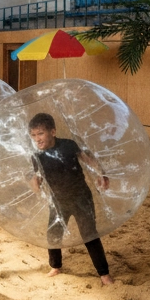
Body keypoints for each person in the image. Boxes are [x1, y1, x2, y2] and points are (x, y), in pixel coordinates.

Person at [27, 112, 112, 285]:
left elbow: (88, 160)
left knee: (89, 234)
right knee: (53, 234)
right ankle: (55, 266)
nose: (37, 139)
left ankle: (104, 274)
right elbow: (38, 179)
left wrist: (101, 173)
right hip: (58, 201)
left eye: (41, 134)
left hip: (81, 197)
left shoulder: (68, 145)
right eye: (33, 135)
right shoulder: (37, 156)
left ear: (53, 132)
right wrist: (34, 183)